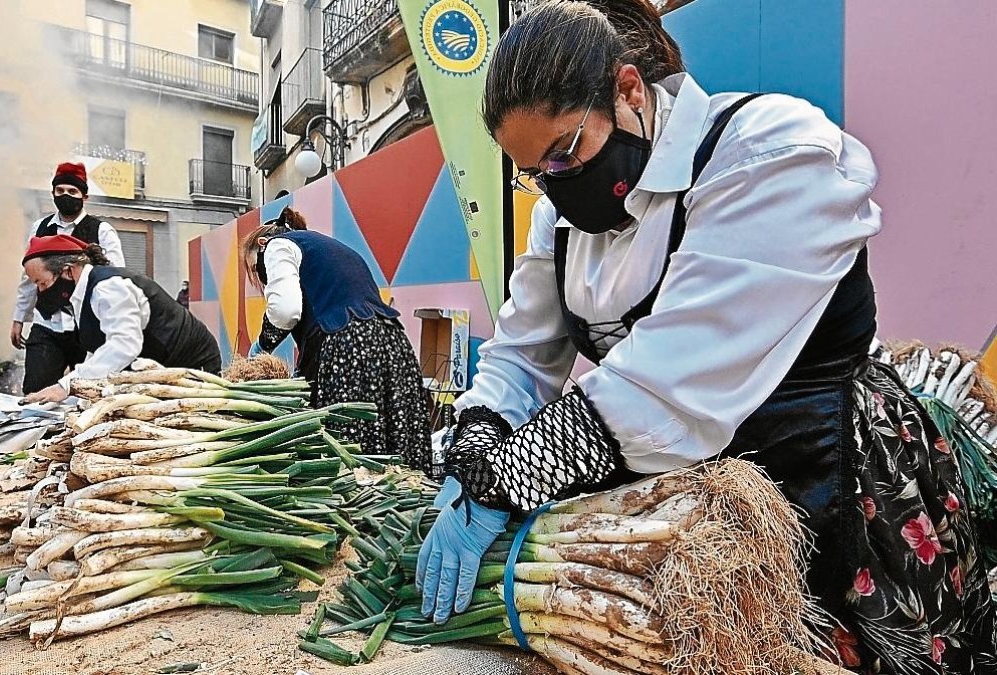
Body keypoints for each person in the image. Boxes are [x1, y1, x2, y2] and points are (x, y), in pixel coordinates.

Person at [414, 1, 997, 672]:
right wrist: (475, 446)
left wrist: (503, 480)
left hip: (832, 471)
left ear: (629, 90)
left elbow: (668, 384)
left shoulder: (768, 153)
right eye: (535, 172)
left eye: (564, 152)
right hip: (701, 515)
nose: (555, 185)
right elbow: (521, 356)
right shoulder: (562, 220)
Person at [239, 207, 430, 463]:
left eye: (257, 268)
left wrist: (262, 345)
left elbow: (286, 311)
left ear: (262, 243)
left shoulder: (277, 245)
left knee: (353, 453)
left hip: (350, 347)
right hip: (391, 342)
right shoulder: (329, 248)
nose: (261, 277)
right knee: (398, 446)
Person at [20, 234, 221, 404]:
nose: (41, 291)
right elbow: (99, 351)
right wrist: (76, 393)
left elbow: (124, 344)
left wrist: (66, 386)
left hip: (192, 366)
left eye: (43, 283)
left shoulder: (107, 288)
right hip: (159, 367)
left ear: (68, 271)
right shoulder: (81, 296)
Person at [12, 162, 125, 394]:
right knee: (35, 390)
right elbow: (29, 277)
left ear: (84, 196)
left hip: (87, 328)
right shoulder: (39, 228)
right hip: (46, 324)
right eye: (60, 190)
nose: (66, 195)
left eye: (72, 191)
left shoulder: (102, 230)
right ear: (53, 193)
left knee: (89, 392)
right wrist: (19, 317)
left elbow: (116, 278)